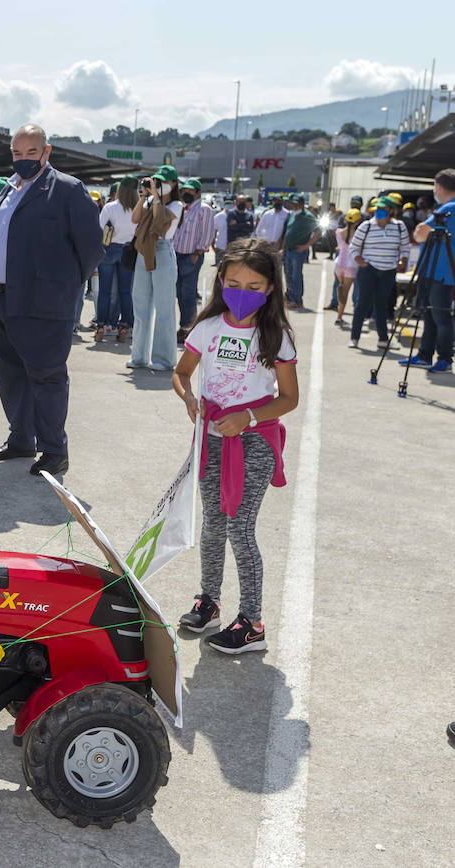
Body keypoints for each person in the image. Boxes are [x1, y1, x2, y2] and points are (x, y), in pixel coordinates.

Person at [173, 239, 298, 654]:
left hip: (255, 441)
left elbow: (289, 398)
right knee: (212, 523)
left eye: (254, 285)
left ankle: (252, 623)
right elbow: (181, 373)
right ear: (221, 282)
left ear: (270, 290)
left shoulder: (276, 336)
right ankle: (208, 602)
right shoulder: (207, 328)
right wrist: (189, 398)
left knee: (240, 529)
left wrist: (247, 418)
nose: (242, 292)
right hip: (210, 440)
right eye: (233, 283)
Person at [0, 124, 102, 476]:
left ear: (46, 152)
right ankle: (22, 438)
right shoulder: (7, 188)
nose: (23, 159)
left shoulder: (67, 189)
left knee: (46, 375)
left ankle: (54, 448)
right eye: (17, 153)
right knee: (9, 373)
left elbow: (91, 249)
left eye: (31, 153)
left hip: (43, 302)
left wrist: (61, 286)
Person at [398, 168, 455, 373]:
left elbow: (420, 234)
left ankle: (444, 359)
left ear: (438, 188)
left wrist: (424, 225)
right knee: (431, 315)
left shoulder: (448, 209)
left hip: (439, 272)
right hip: (440, 271)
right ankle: (425, 355)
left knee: (440, 316)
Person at [128, 166, 183, 372]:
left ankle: (164, 359)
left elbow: (162, 224)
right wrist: (143, 197)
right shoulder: (151, 200)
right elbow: (134, 218)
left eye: (161, 182)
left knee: (164, 307)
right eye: (155, 181)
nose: (157, 186)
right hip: (144, 251)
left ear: (174, 183)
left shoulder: (177, 205)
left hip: (162, 251)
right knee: (140, 305)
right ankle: (139, 356)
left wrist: (157, 198)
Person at [348, 196, 410, 350]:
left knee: (382, 305)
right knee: (362, 303)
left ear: (391, 211)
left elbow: (405, 246)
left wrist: (403, 259)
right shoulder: (366, 226)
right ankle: (354, 338)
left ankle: (383, 339)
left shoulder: (399, 226)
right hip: (368, 270)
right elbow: (353, 246)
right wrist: (360, 261)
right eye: (378, 209)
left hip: (388, 271)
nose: (380, 212)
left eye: (383, 209)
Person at [95, 176, 137, 344]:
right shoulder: (137, 209)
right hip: (128, 250)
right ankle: (125, 325)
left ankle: (100, 325)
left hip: (109, 249)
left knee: (104, 291)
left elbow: (99, 228)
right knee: (125, 292)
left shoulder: (110, 207)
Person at [172, 178, 214, 339]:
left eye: (190, 190)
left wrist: (197, 254)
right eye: (185, 190)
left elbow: (208, 233)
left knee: (188, 293)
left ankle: (187, 329)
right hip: (177, 255)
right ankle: (184, 325)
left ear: (198, 193)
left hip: (191, 256)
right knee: (179, 293)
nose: (186, 192)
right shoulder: (183, 208)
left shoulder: (204, 210)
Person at [281, 194, 321, 309]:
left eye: (296, 204)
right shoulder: (292, 215)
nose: (294, 206)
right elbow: (287, 232)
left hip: (298, 252)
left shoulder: (308, 217)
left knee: (296, 276)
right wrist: (283, 248)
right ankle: (290, 297)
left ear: (302, 205)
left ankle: (297, 300)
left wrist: (306, 246)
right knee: (288, 275)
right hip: (288, 250)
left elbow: (318, 232)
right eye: (293, 204)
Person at [332, 205, 361, 327]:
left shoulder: (338, 232)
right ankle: (339, 316)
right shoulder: (358, 235)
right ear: (358, 221)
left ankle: (339, 315)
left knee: (341, 289)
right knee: (346, 291)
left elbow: (340, 246)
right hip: (351, 265)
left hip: (339, 264)